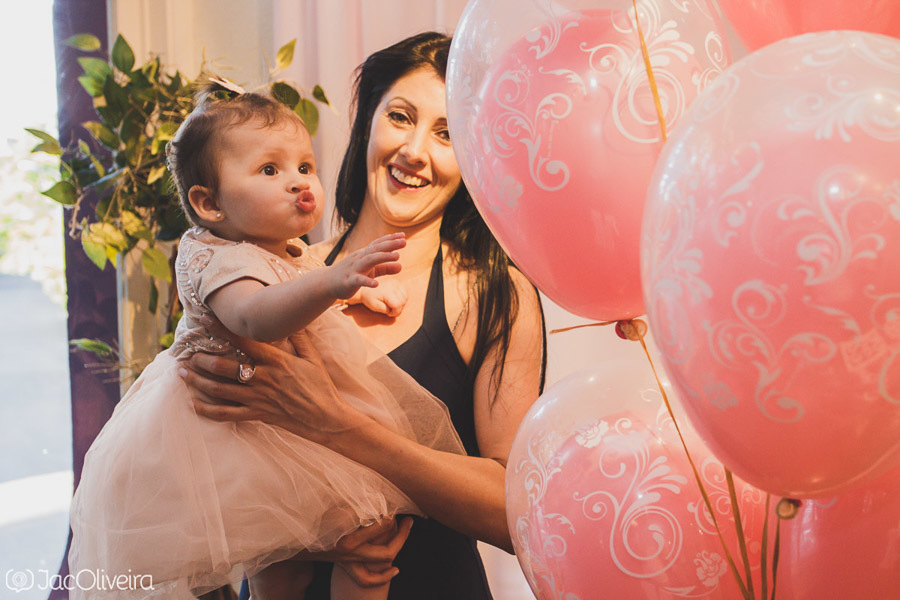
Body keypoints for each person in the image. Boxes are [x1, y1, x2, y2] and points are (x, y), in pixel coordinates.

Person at [67, 79, 468, 600]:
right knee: (328, 543)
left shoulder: (289, 250)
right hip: (231, 435)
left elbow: (301, 291)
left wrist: (354, 293)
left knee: (357, 544)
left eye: (305, 167)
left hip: (282, 427)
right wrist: (336, 279)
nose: (298, 183)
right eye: (270, 170)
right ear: (209, 203)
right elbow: (256, 317)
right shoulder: (216, 258)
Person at [181, 32, 548, 599]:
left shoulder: (492, 293)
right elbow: (205, 469)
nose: (416, 152)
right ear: (367, 123)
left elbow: (513, 515)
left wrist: (335, 425)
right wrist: (311, 539)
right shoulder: (269, 282)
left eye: (447, 133)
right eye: (400, 117)